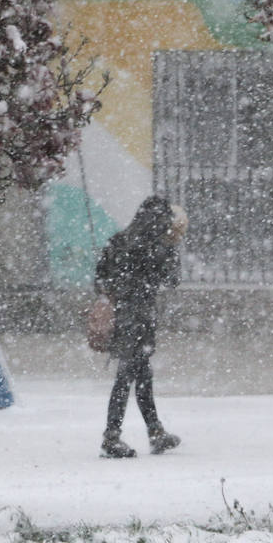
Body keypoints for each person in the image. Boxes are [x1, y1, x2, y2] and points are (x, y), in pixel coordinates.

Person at [94, 196, 187, 458]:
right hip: (141, 319)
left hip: (121, 317)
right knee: (126, 378)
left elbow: (100, 278)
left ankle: (155, 432)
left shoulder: (118, 240)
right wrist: (172, 246)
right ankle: (111, 437)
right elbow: (172, 280)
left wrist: (117, 293)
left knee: (142, 376)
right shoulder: (158, 246)